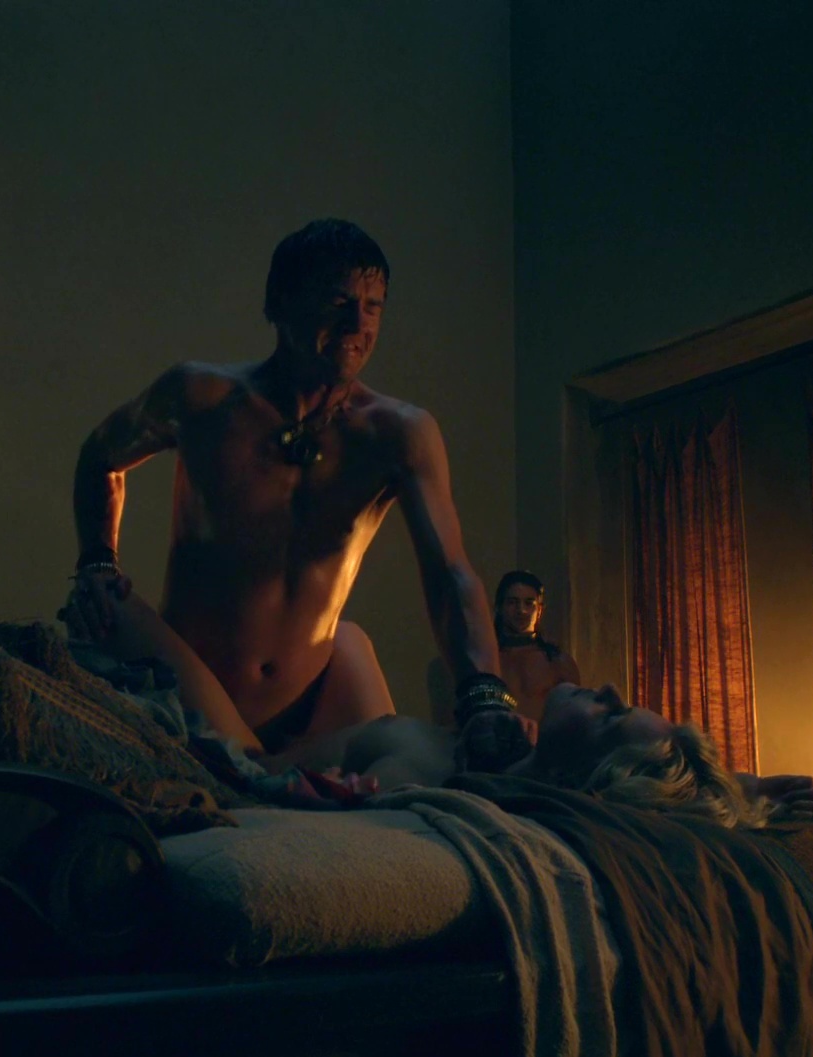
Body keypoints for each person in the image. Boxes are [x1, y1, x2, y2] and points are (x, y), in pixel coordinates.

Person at [62, 219, 528, 778]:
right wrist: (97, 561)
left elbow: (450, 572)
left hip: (312, 702)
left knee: (426, 751)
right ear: (279, 302)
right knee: (110, 611)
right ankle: (258, 775)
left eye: (373, 307)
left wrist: (483, 696)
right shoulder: (200, 396)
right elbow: (100, 456)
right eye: (339, 302)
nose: (358, 325)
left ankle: (275, 774)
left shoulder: (398, 433)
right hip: (193, 692)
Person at [339, 682, 813, 824]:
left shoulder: (417, 783)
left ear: (572, 780)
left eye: (611, 716)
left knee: (346, 636)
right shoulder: (508, 741)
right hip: (353, 721)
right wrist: (746, 786)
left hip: (305, 743)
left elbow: (644, 804)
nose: (610, 688)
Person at [490, 570, 582, 723]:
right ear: (499, 607)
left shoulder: (558, 663)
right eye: (513, 602)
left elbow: (576, 719)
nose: (521, 611)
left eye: (529, 603)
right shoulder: (486, 660)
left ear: (539, 610)